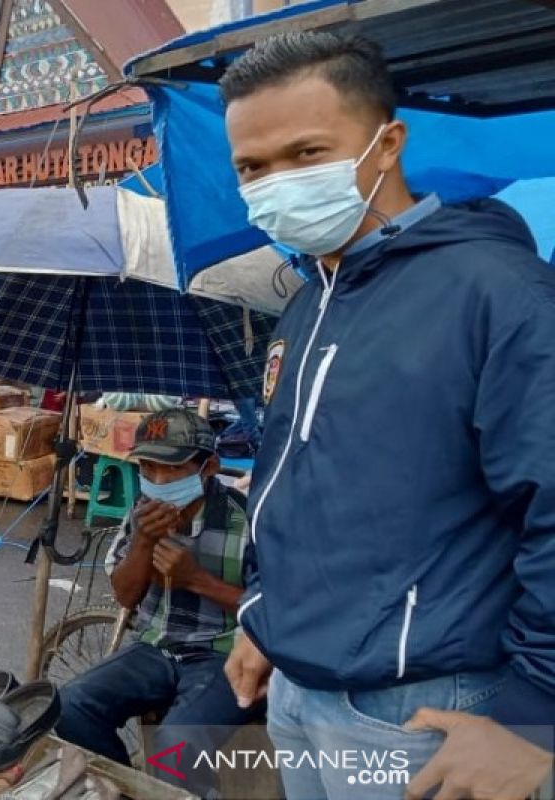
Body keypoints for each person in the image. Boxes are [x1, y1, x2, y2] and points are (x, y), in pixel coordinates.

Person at [219, 32, 555, 799]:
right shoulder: (309, 302)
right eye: (252, 167)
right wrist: (266, 620)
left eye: (306, 154)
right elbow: (293, 482)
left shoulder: (498, 294)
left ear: (387, 142)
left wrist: (536, 717)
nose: (277, 184)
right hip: (298, 693)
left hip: (423, 711)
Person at [55, 408, 259, 798]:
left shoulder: (245, 519)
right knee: (69, 705)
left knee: (175, 747)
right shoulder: (141, 514)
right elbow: (124, 595)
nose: (159, 482)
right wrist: (144, 545)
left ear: (209, 466)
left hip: (221, 653)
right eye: (148, 469)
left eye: (174, 470)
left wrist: (197, 580)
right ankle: (128, 789)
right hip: (155, 647)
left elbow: (271, 612)